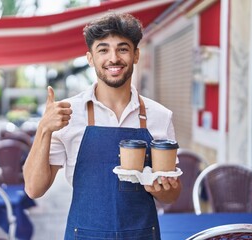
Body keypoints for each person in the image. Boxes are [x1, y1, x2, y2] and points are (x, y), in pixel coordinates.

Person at [23, 12, 181, 240]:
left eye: (123, 49)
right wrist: (44, 129)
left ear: (136, 55)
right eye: (103, 49)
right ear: (90, 58)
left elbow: (173, 194)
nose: (113, 58)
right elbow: (34, 189)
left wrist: (164, 189)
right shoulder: (68, 114)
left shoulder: (160, 116)